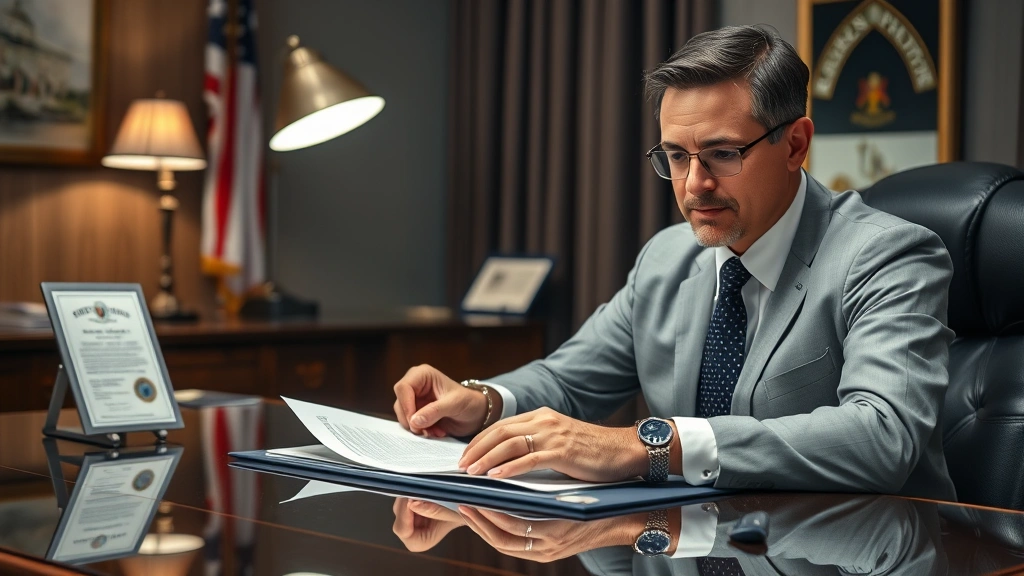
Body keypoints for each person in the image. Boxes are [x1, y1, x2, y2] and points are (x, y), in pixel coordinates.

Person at [393, 24, 956, 505]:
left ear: (795, 145)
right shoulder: (667, 256)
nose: (694, 185)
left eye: (722, 154)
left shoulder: (888, 256)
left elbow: (884, 437)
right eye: (676, 157)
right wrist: (483, 400)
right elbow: (567, 380)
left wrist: (648, 446)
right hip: (694, 544)